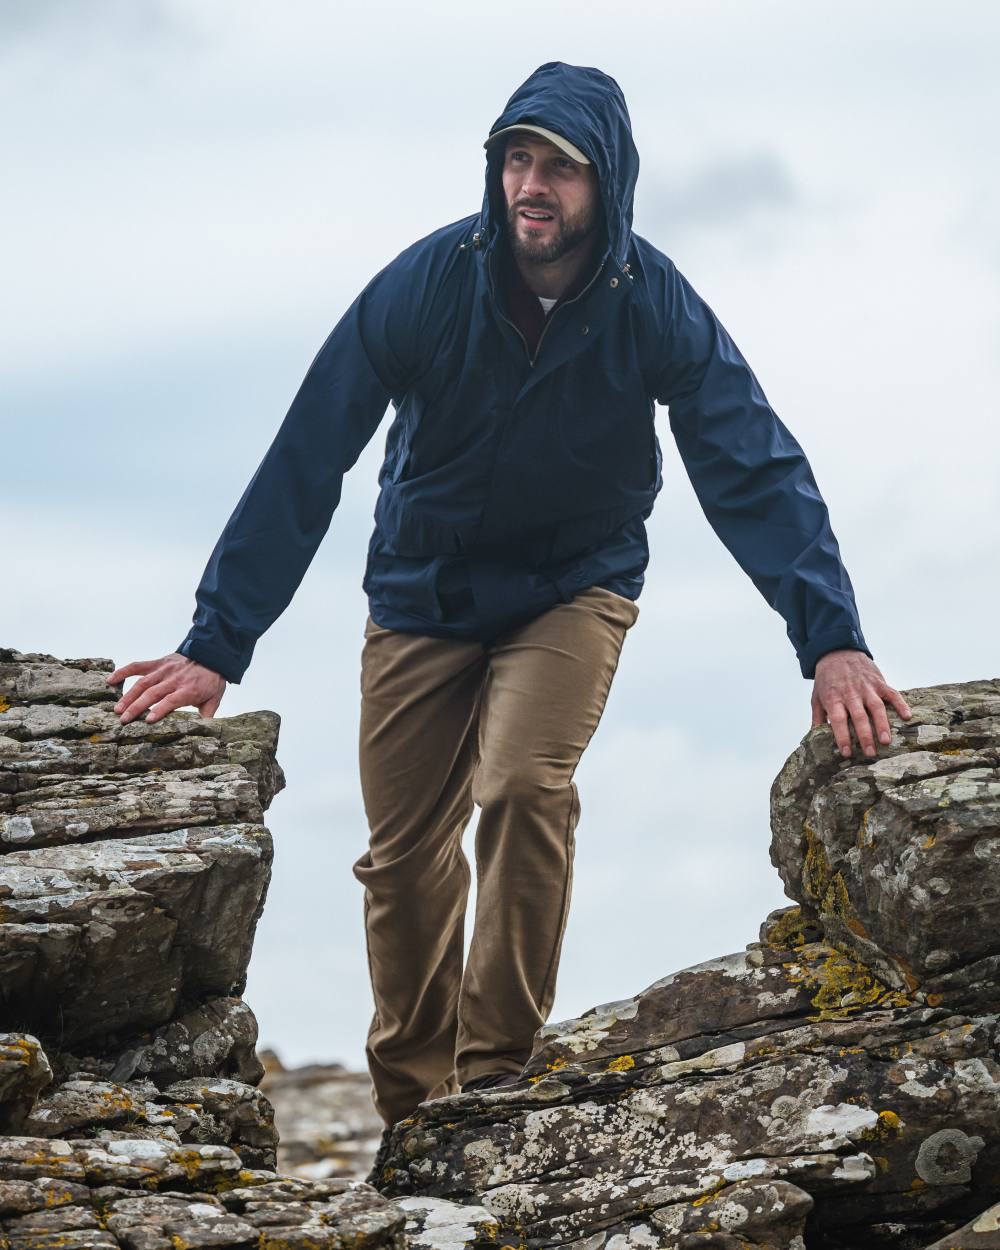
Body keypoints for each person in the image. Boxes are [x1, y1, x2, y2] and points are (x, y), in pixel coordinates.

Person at [106, 62, 912, 1145]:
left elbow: (750, 462)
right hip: (421, 592)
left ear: (606, 184)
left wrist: (833, 640)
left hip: (571, 589)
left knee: (525, 785)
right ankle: (414, 1110)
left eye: (558, 167)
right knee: (401, 862)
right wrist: (216, 643)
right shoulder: (428, 283)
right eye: (515, 161)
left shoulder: (651, 301)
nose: (531, 186)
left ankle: (492, 1083)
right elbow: (309, 452)